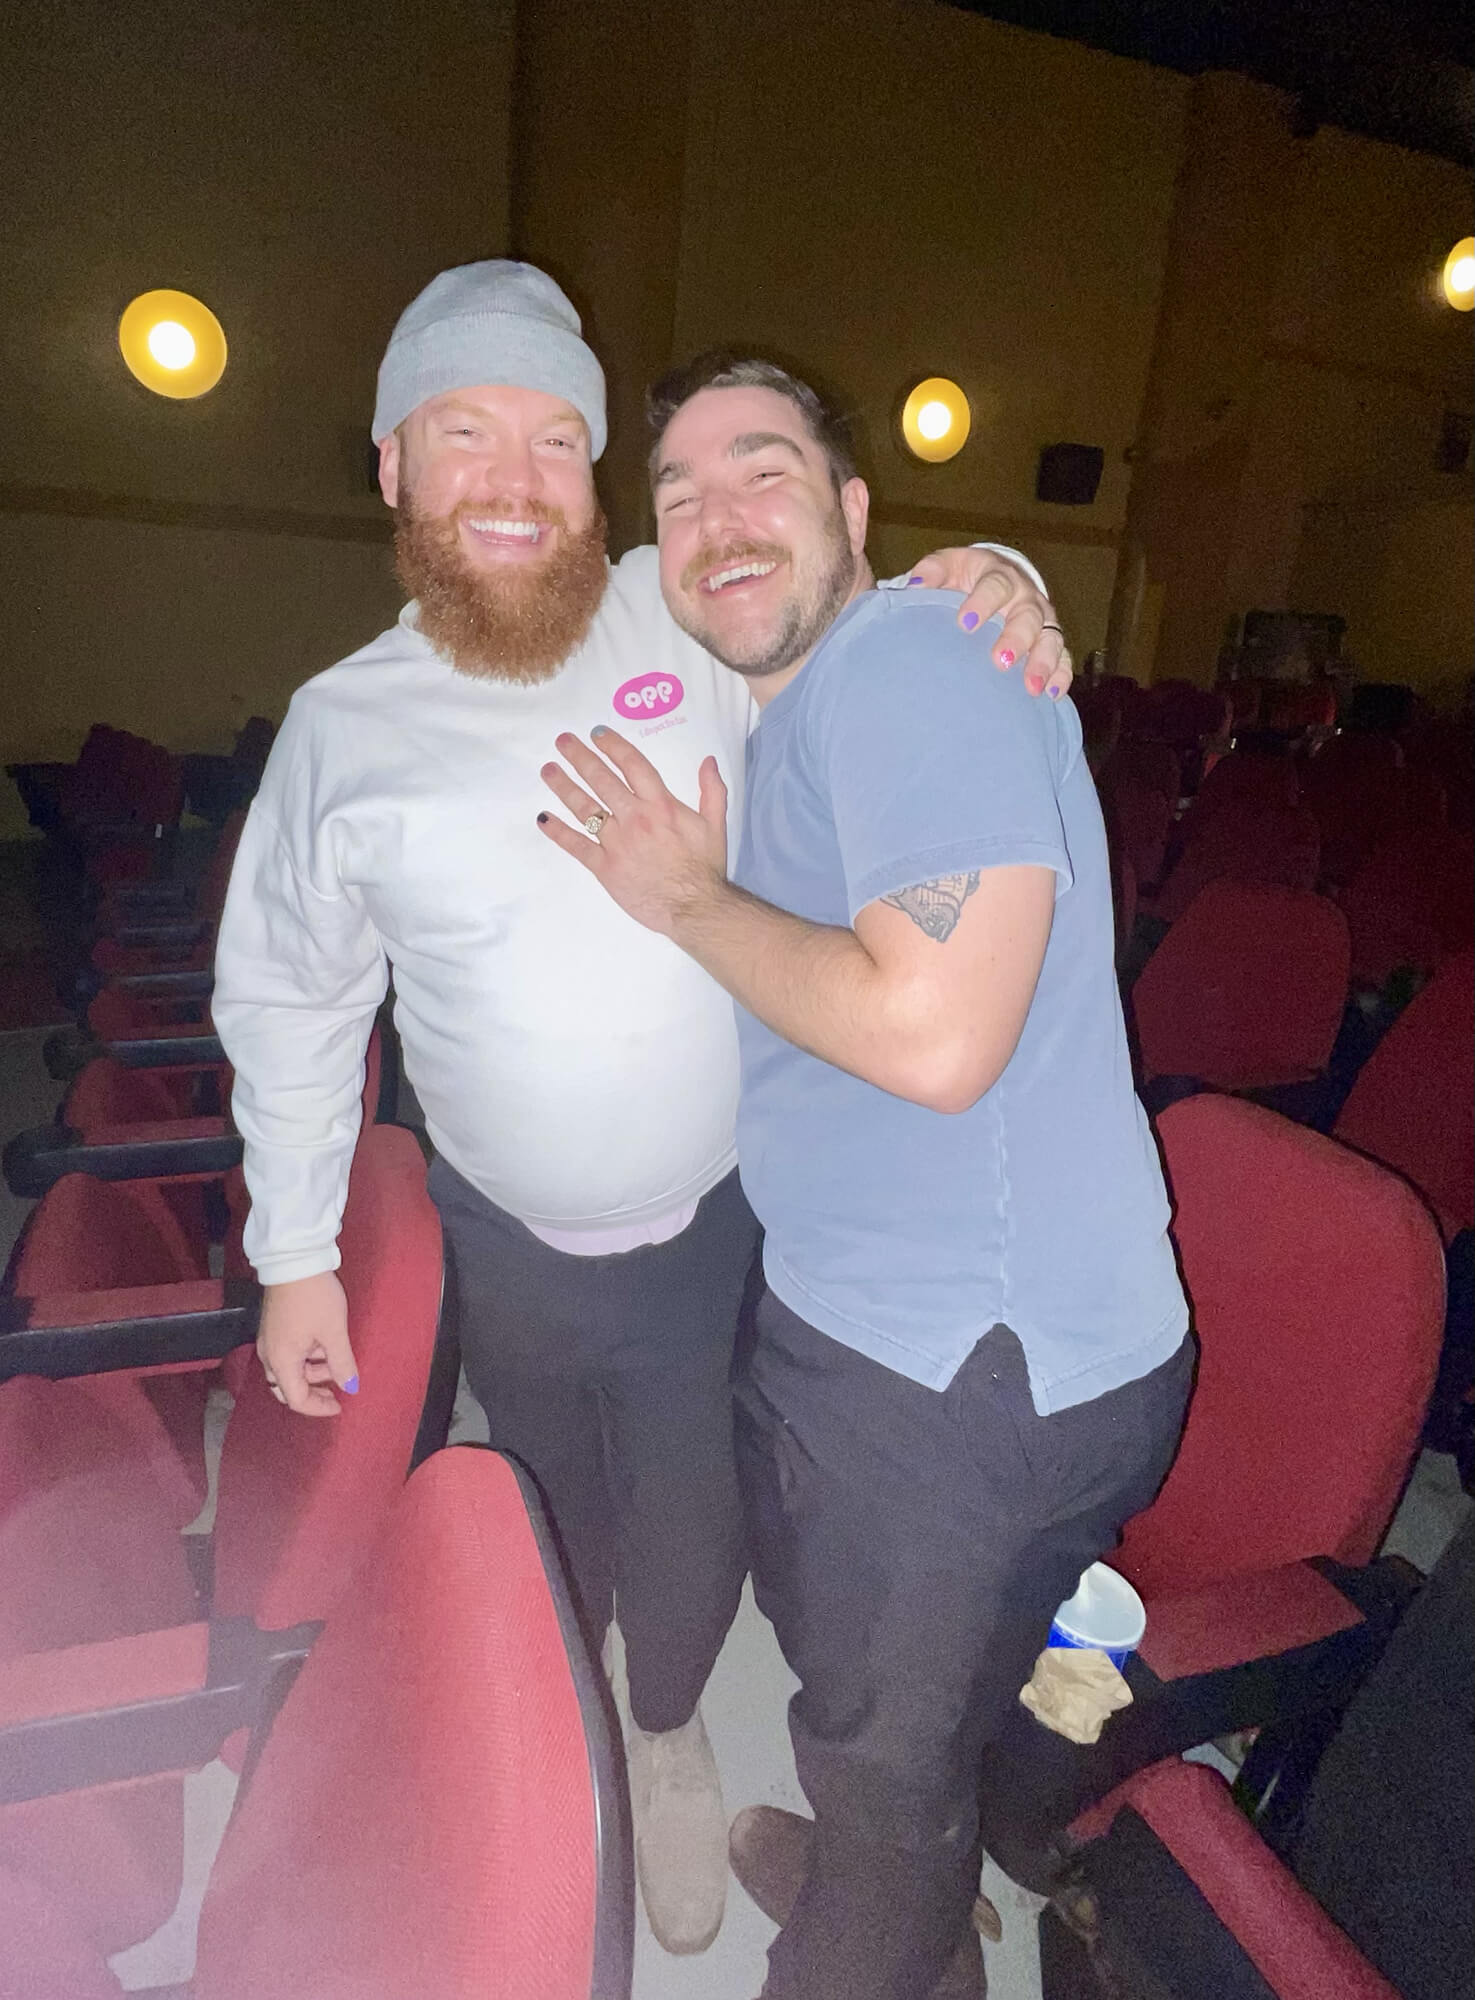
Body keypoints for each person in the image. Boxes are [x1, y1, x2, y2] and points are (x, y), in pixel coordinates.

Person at [211, 262, 1069, 1959]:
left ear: (595, 472)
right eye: (466, 432)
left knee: (695, 1544)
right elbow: (292, 1000)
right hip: (504, 1243)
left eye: (555, 437)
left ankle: (665, 1729)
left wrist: (1004, 577)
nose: (515, 478)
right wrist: (295, 1254)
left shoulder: (669, 613)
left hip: (714, 1240)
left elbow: (847, 607)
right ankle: (573, 1719)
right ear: (392, 463)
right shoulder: (342, 728)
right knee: (551, 1521)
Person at [537, 352, 1192, 1999]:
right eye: (680, 495)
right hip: (919, 1336)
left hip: (961, 1373)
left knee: (887, 1771)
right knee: (880, 1708)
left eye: (762, 472)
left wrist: (685, 901)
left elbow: (934, 1033)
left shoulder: (905, 657)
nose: (718, 518)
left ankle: (885, 1920)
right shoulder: (804, 711)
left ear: (853, 510)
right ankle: (892, 1887)